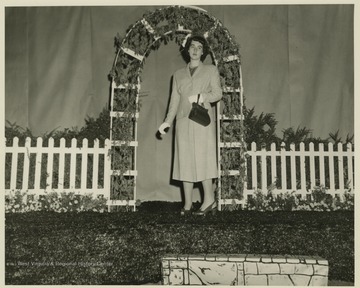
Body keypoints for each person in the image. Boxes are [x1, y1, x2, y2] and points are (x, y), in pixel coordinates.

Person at [158, 35, 222, 216]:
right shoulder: (178, 75)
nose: (195, 50)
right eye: (192, 46)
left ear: (204, 52)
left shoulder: (210, 70)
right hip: (183, 122)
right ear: (187, 49)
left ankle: (209, 200)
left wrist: (202, 98)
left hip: (202, 121)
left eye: (199, 47)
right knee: (184, 161)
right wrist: (167, 122)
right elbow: (174, 101)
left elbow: (218, 93)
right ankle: (187, 204)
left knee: (204, 160)